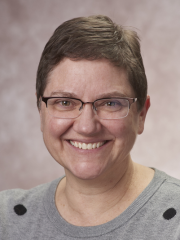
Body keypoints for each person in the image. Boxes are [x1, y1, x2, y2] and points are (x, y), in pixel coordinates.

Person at [0, 15, 180, 240]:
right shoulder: (6, 219)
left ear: (141, 114)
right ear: (41, 110)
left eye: (110, 103)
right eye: (65, 102)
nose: (86, 127)